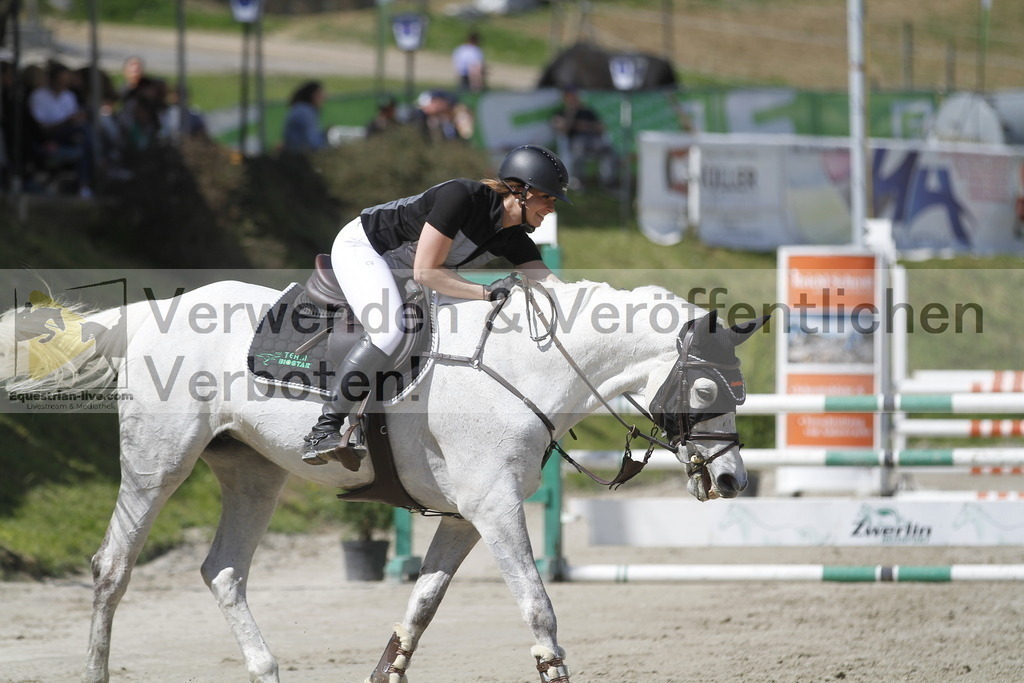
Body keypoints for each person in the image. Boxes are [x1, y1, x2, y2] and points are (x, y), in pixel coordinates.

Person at [302, 144, 571, 460]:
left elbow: (552, 285)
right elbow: (426, 272)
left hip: (406, 271)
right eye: (546, 197)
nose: (551, 208)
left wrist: (593, 303)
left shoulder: (512, 237)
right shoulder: (462, 196)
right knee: (388, 330)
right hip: (365, 249)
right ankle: (323, 430)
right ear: (520, 191)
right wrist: (486, 293)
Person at [550, 86, 618, 190]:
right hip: (576, 140)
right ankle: (578, 180)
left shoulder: (588, 112)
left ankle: (608, 182)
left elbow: (601, 127)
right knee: (578, 151)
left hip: (593, 140)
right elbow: (562, 129)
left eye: (574, 97)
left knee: (609, 151)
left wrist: (588, 125)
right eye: (570, 97)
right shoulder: (561, 113)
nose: (573, 99)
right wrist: (571, 115)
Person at [282, 80, 327, 152]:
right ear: (313, 95)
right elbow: (311, 142)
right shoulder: (304, 112)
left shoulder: (302, 109)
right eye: (320, 96)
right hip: (299, 154)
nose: (323, 99)